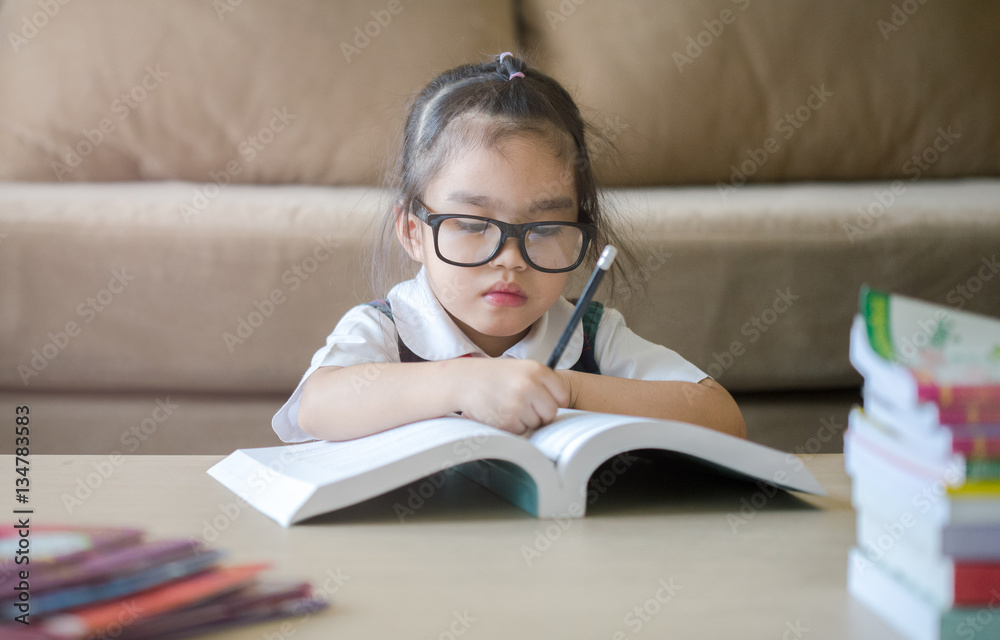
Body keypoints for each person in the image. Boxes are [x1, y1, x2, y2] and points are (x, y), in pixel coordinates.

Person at [272, 52, 746, 443]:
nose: (511, 259)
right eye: (473, 224)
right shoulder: (387, 328)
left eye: (544, 228)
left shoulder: (591, 334)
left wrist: (565, 387)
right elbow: (318, 406)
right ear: (413, 231)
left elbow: (720, 417)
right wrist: (466, 382)